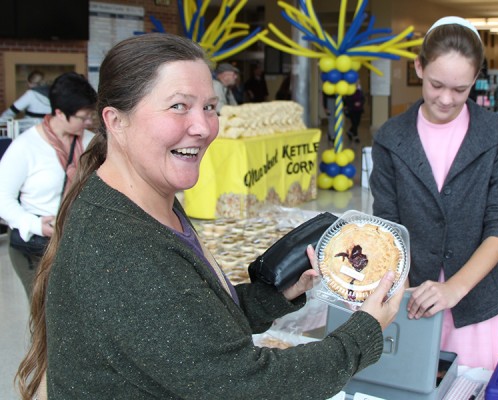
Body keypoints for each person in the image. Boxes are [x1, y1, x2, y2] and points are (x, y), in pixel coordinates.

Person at [16, 33, 404, 399]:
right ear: (116, 121)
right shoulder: (121, 249)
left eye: (210, 107)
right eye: (178, 106)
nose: (203, 127)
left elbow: (188, 332)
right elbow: (246, 386)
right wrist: (364, 333)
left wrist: (275, 296)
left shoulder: (148, 202)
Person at [369, 16, 498, 370]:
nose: (446, 99)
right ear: (419, 67)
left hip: (475, 300)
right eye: (437, 84)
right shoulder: (391, 138)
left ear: (475, 81)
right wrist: (403, 291)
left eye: (460, 89)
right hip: (412, 301)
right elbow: (388, 223)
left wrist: (454, 288)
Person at [0, 71, 97, 301]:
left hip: (76, 242)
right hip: (35, 248)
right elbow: (2, 198)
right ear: (59, 113)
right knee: (45, 313)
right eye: (83, 117)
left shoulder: (89, 142)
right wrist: (34, 224)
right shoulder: (26, 146)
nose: (89, 123)